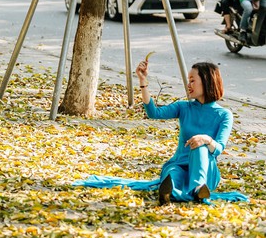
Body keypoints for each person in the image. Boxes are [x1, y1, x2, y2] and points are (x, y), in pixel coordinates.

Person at [72, 58, 248, 205]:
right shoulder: (184, 107)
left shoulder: (224, 115)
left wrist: (206, 139)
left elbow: (218, 148)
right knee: (171, 178)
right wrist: (142, 81)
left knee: (201, 145)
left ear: (207, 81)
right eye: (188, 80)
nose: (189, 84)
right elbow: (153, 113)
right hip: (179, 164)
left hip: (206, 170)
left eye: (193, 80)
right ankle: (175, 193)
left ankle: (197, 188)